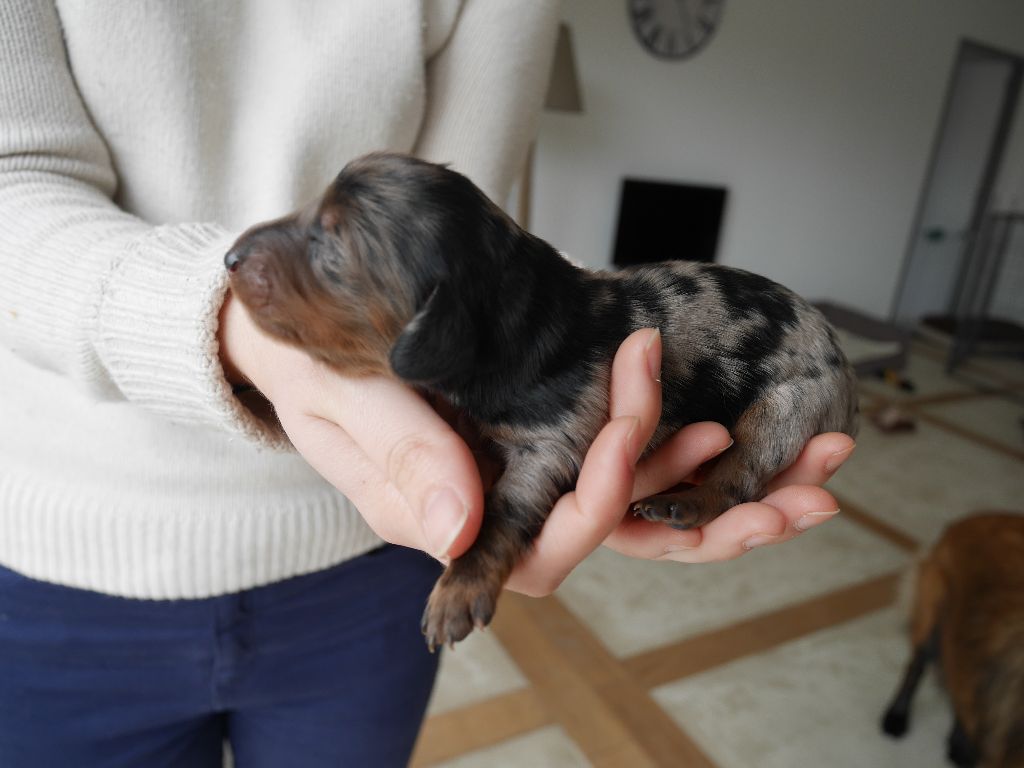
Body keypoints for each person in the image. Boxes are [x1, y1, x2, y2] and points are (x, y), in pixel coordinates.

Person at [0, 2, 855, 766]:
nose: (250, 248)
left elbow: (471, 229)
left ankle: (725, 483)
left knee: (746, 447)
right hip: (61, 561)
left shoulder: (549, 375)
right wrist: (227, 325)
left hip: (370, 569)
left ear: (435, 337)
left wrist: (486, 535)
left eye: (328, 250)